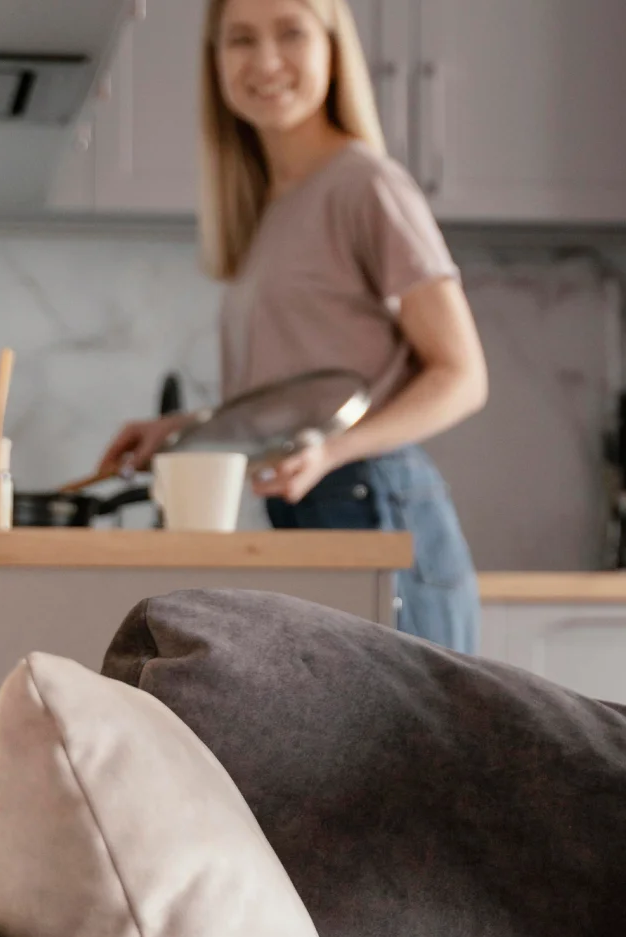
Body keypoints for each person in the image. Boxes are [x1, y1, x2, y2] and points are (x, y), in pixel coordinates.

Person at [96, 0, 486, 653]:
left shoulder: (367, 185)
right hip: (312, 505)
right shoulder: (270, 203)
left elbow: (462, 376)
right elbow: (295, 397)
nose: (266, 60)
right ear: (215, 61)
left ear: (334, 49)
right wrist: (186, 430)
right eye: (241, 39)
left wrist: (330, 452)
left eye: (291, 33)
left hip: (371, 503)